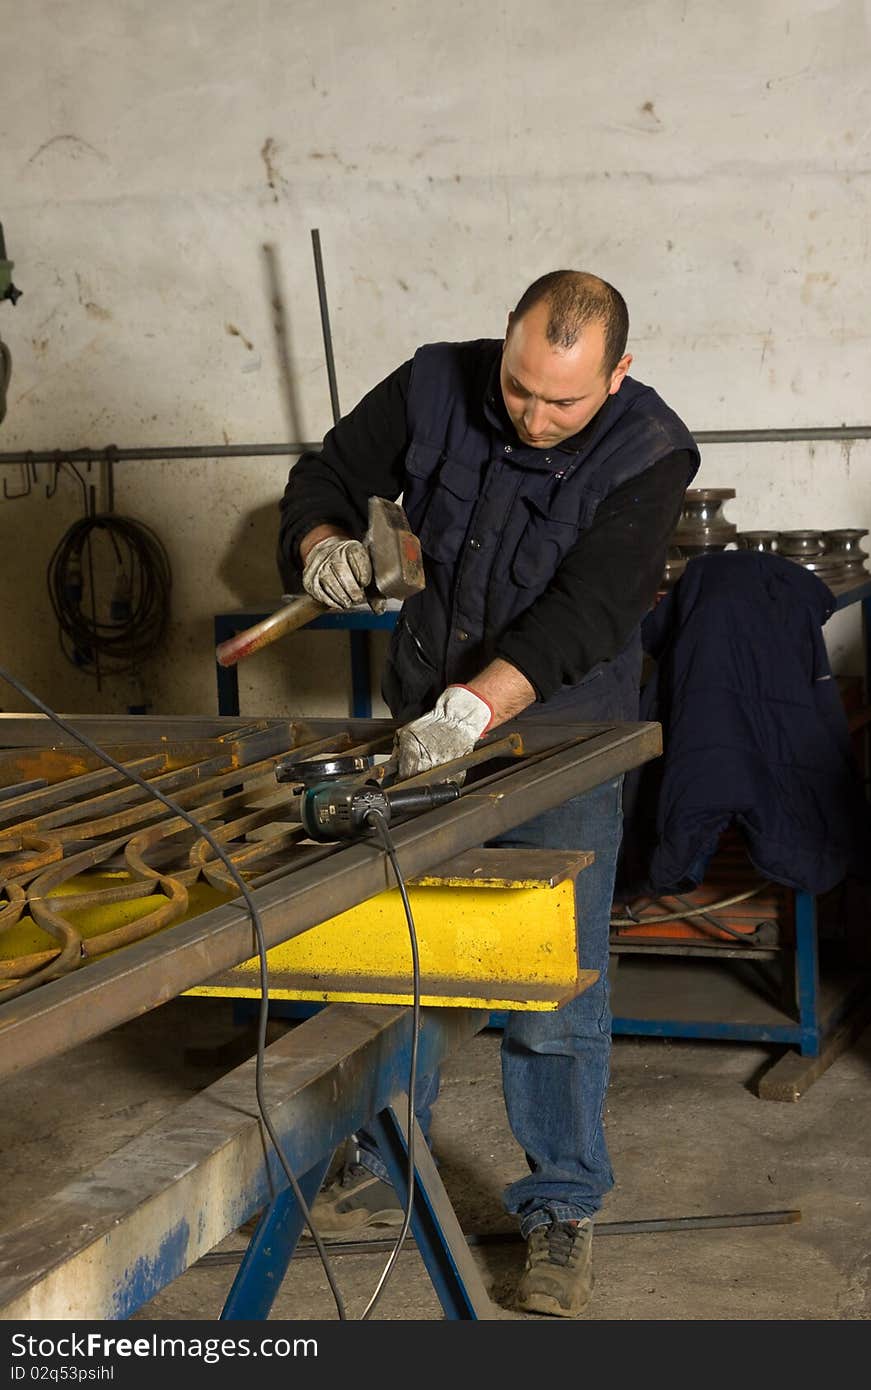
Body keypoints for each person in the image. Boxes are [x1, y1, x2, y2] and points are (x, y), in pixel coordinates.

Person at [277, 270, 700, 1317]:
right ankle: (381, 1159)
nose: (534, 414)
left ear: (618, 373)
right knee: (395, 949)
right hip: (417, 713)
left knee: (552, 979)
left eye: (562, 400)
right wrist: (321, 545)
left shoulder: (651, 450)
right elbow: (325, 472)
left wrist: (476, 709)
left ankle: (561, 1205)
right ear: (502, 348)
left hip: (557, 727)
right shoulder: (434, 384)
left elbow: (589, 610)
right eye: (518, 389)